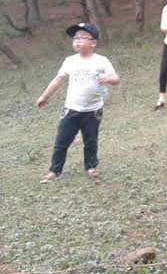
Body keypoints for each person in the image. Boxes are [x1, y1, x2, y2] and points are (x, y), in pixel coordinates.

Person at [36, 23, 120, 183]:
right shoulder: (70, 61)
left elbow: (116, 79)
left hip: (93, 110)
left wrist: (108, 78)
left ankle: (90, 166)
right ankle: (54, 170)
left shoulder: (101, 61)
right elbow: (58, 80)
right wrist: (44, 96)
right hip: (72, 109)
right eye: (75, 38)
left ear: (93, 43)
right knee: (62, 140)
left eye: (82, 38)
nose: (77, 41)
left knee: (91, 140)